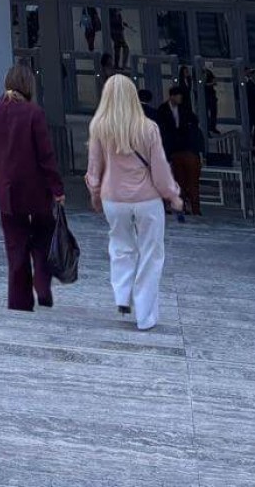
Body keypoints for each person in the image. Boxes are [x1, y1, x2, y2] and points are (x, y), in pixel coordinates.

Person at [85, 73, 184, 331]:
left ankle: (122, 295)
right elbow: (160, 169)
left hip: (113, 198)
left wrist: (95, 194)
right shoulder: (148, 127)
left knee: (120, 246)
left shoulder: (99, 127)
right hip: (147, 199)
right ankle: (145, 315)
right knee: (151, 253)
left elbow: (94, 168)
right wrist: (172, 195)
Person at [0, 63, 65, 311]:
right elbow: (45, 155)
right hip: (37, 190)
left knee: (15, 246)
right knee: (43, 237)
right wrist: (57, 188)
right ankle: (42, 283)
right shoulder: (34, 113)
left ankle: (19, 300)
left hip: (8, 190)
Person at [155, 85, 204, 219]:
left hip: (183, 149)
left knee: (186, 181)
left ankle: (191, 207)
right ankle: (182, 206)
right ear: (172, 97)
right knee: (179, 180)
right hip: (173, 148)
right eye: (178, 96)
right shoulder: (163, 110)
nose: (180, 99)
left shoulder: (185, 111)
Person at [202, 67, 219, 137]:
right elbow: (203, 84)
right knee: (206, 114)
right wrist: (212, 83)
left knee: (213, 112)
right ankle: (207, 129)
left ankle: (212, 127)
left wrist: (212, 82)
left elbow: (214, 80)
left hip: (211, 95)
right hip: (205, 96)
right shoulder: (199, 72)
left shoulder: (208, 72)